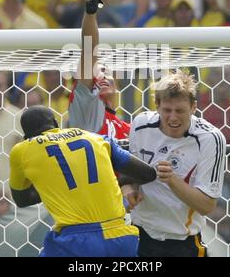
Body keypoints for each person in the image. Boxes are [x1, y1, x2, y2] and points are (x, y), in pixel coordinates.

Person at [9, 105, 163, 257]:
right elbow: (147, 174)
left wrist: (55, 183)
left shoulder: (22, 150)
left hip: (72, 243)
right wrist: (120, 180)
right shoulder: (96, 138)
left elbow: (22, 199)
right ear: (56, 124)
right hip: (120, 238)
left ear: (26, 136)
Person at [122, 71, 226, 257]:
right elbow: (130, 176)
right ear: (157, 106)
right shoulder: (140, 125)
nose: (172, 117)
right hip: (140, 235)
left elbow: (207, 206)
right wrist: (129, 190)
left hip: (182, 242)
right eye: (167, 110)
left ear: (193, 107)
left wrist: (172, 180)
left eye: (180, 111)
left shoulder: (210, 138)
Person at [68, 0, 131, 140]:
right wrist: (91, 8)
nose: (100, 76)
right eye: (95, 73)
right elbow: (90, 50)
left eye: (105, 71)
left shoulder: (128, 129)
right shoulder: (85, 108)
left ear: (117, 81)